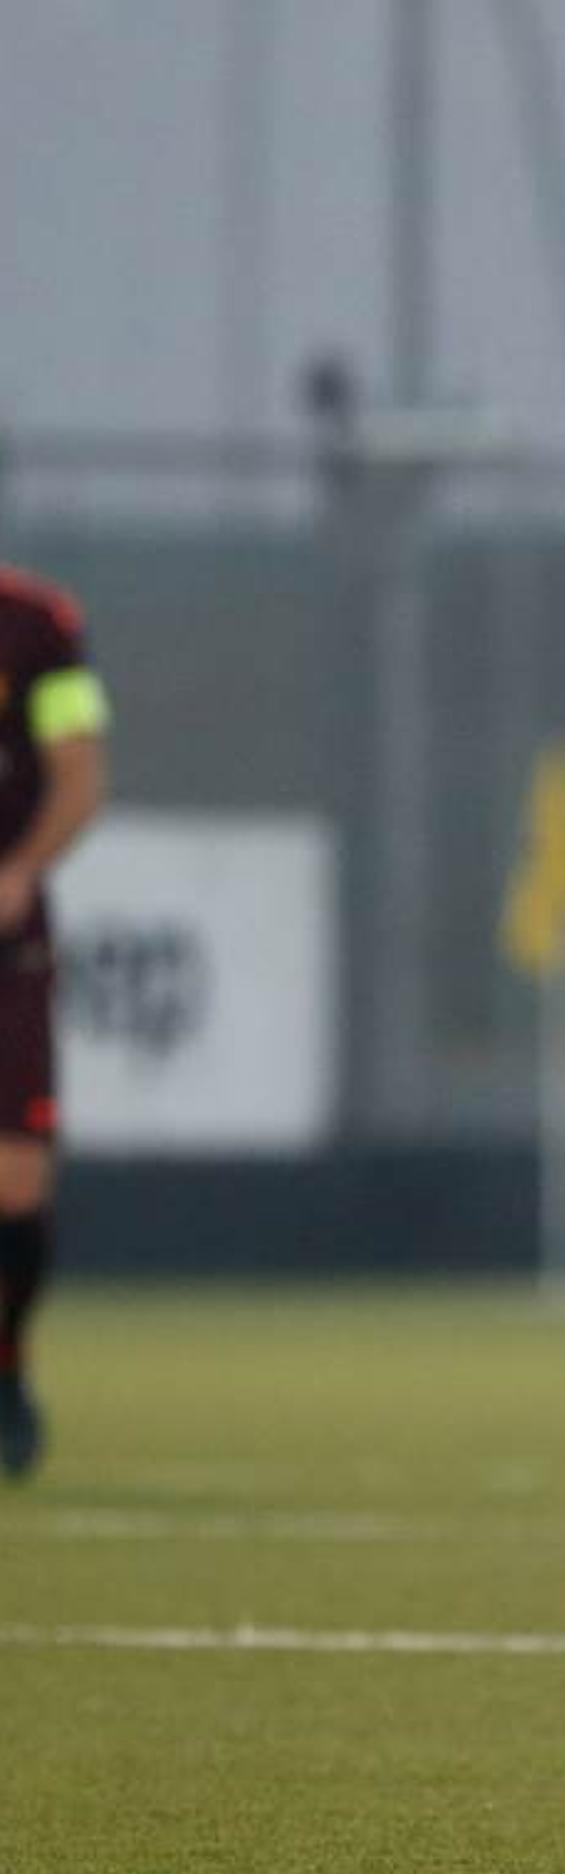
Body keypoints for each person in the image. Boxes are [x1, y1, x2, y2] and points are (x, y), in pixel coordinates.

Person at [0, 561, 113, 1482]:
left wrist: (20, 871)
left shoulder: (40, 623)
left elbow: (79, 774)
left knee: (16, 1185)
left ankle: (6, 1366)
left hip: (7, 946)